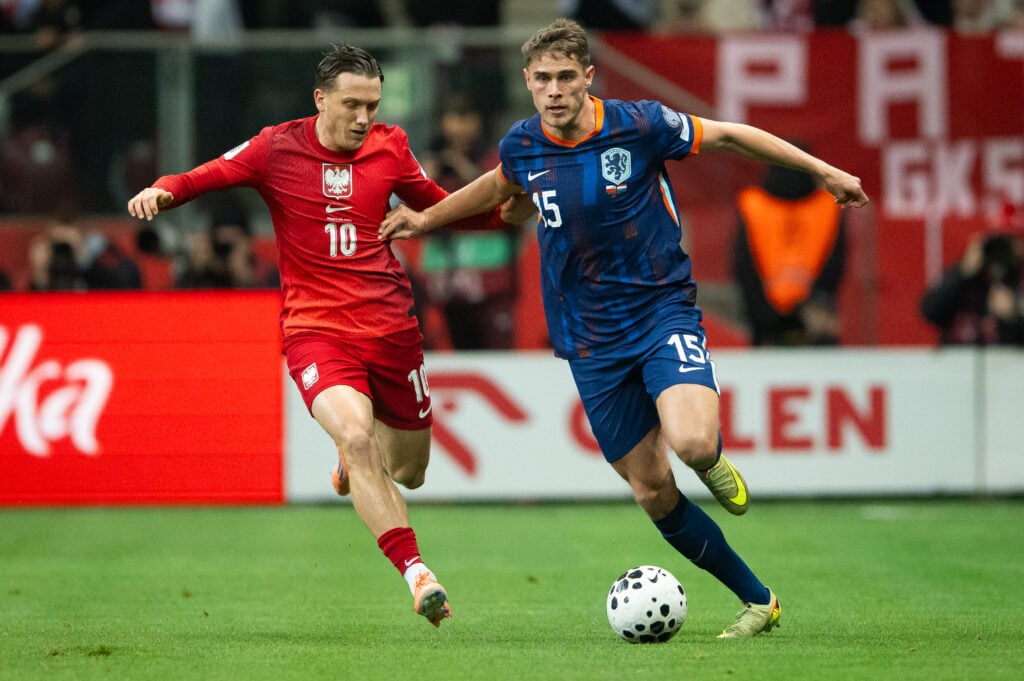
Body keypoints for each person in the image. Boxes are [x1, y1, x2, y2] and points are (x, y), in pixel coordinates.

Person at [380, 18, 870, 639]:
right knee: (651, 489)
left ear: (588, 78)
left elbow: (728, 136)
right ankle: (758, 600)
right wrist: (425, 220)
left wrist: (823, 170)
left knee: (690, 445)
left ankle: (712, 458)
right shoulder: (522, 144)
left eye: (565, 77)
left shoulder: (640, 124)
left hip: (661, 310)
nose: (554, 90)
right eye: (542, 80)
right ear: (528, 83)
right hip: (589, 340)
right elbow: (496, 188)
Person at [128, 44, 531, 628]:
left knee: (410, 470)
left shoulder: (390, 146)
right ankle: (418, 574)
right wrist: (164, 189)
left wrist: (501, 215)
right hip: (316, 330)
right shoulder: (276, 147)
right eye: (351, 104)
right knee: (360, 438)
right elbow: (205, 174)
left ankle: (352, 456)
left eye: (372, 104)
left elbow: (437, 208)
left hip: (392, 329)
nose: (363, 117)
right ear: (320, 99)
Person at [420, 95, 520, 349]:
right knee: (463, 349)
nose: (460, 126)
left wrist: (459, 165)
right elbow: (416, 215)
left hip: (493, 280)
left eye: (466, 117)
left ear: (477, 121)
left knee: (499, 354)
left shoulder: (495, 157)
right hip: (450, 281)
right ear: (443, 123)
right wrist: (423, 182)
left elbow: (498, 195)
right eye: (454, 118)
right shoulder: (432, 162)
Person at [733, 156, 847, 346]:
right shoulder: (827, 205)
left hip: (764, 323)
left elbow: (743, 263)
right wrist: (816, 299)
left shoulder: (752, 203)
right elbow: (836, 260)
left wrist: (760, 312)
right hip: (816, 318)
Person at [920, 233, 1024, 345]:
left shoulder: (1019, 277)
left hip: (1009, 359)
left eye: (1010, 240)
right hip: (958, 357)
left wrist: (1015, 314)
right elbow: (929, 311)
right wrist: (962, 271)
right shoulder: (963, 274)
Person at [174, 202, 279, 289]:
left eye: (231, 244)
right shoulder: (203, 272)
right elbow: (174, 305)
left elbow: (270, 307)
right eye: (221, 245)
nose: (226, 251)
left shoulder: (268, 275)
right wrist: (196, 273)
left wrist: (245, 278)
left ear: (248, 242)